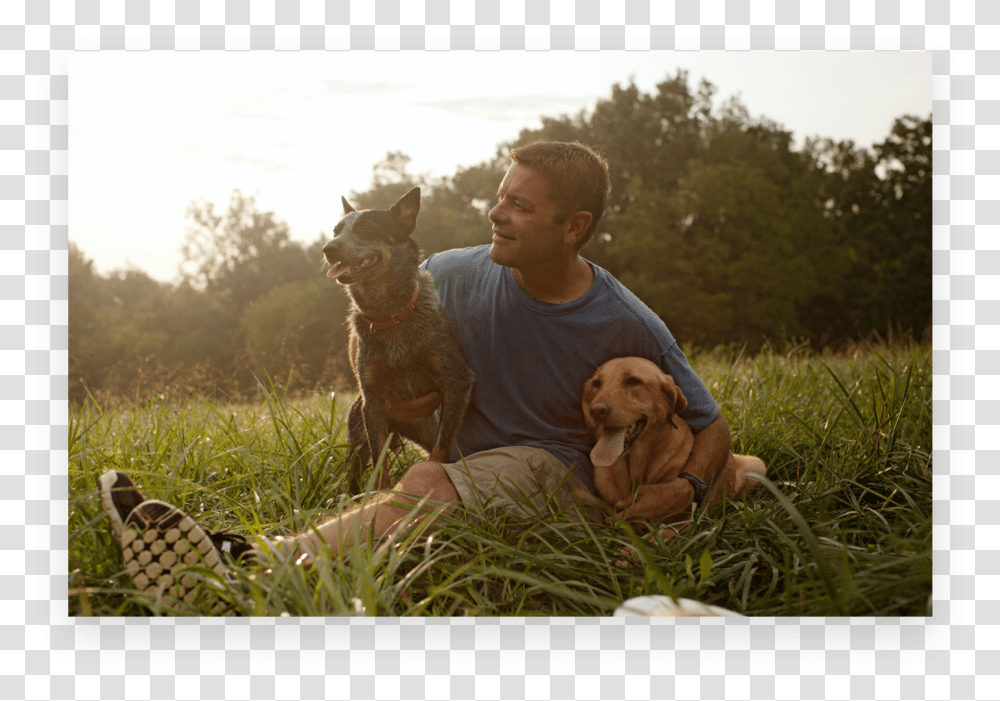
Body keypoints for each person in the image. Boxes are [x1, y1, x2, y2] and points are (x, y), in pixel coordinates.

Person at [101, 141, 733, 598]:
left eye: (519, 205)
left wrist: (691, 491)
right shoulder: (454, 274)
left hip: (559, 469)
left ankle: (236, 565)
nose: (496, 213)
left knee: (426, 482)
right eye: (498, 197)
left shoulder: (624, 319)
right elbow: (383, 313)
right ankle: (198, 555)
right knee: (426, 480)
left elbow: (711, 424)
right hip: (471, 456)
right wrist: (387, 394)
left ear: (575, 227)